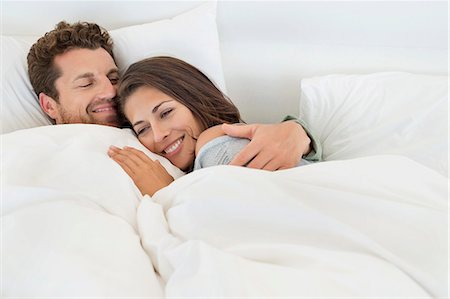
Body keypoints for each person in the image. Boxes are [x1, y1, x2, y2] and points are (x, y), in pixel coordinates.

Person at [27, 21, 321, 179]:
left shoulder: (205, 143)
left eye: (113, 78)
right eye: (86, 82)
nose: (109, 91)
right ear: (49, 105)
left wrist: (299, 133)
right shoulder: (35, 153)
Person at [107, 56, 314, 196]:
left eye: (166, 113)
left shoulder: (212, 143)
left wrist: (165, 192)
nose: (159, 135)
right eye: (143, 129)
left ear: (195, 100)